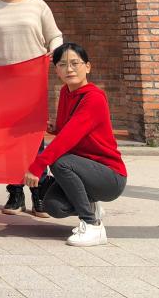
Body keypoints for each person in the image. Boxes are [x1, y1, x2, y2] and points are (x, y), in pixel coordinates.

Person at [0, 0, 63, 216]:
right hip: (3, 83)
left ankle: (39, 193)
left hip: (32, 82)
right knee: (8, 140)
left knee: (34, 139)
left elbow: (55, 36)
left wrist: (54, 52)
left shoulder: (38, 5)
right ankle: (15, 193)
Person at [24, 43, 126, 247]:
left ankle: (92, 226)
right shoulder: (66, 92)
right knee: (53, 206)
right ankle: (90, 205)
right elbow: (70, 130)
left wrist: (37, 165)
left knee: (59, 161)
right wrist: (54, 128)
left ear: (87, 66)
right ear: (56, 70)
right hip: (84, 170)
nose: (69, 69)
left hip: (109, 175)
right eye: (62, 64)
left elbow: (66, 140)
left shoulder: (94, 98)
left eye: (75, 63)